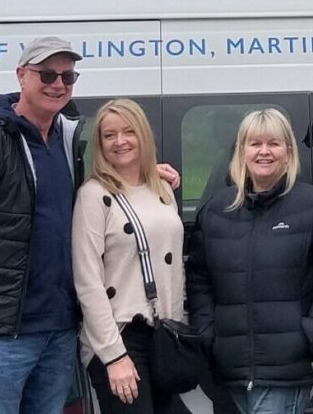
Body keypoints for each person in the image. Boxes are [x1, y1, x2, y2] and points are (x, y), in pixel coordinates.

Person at [0, 36, 179, 414]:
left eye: (68, 76)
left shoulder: (65, 138)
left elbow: (95, 192)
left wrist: (143, 173)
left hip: (58, 331)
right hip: (2, 334)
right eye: (47, 74)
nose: (58, 84)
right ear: (22, 76)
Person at [187, 108, 313, 414]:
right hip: (229, 370)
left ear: (288, 151)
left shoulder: (312, 205)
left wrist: (310, 333)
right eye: (255, 144)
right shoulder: (216, 210)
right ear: (241, 150)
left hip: (287, 368)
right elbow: (199, 281)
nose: (264, 152)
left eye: (273, 143)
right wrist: (209, 335)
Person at [72, 99, 186, 414]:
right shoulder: (93, 196)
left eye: (128, 131)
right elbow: (88, 282)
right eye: (109, 135)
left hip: (163, 335)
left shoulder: (162, 188)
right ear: (99, 144)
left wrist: (178, 329)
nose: (120, 141)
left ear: (143, 136)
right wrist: (113, 355)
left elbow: (174, 267)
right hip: (120, 335)